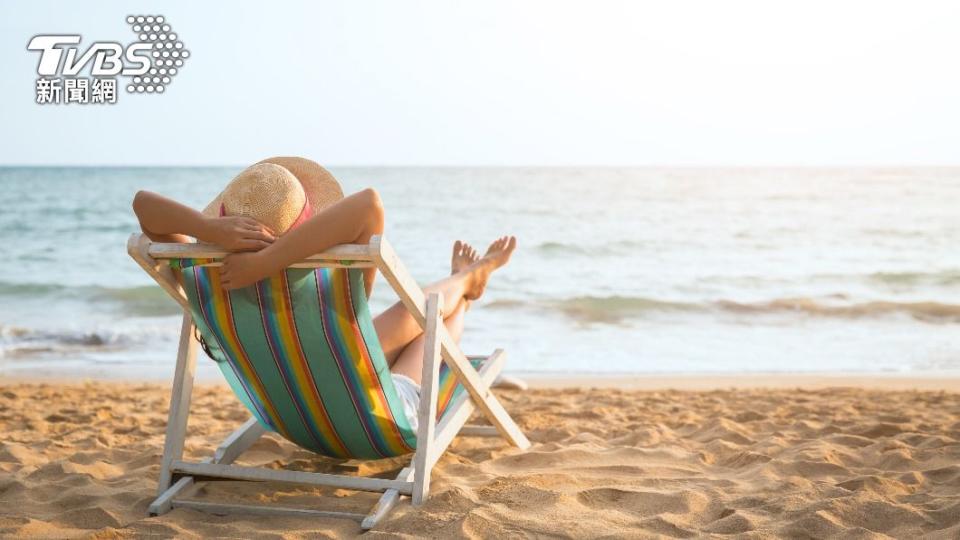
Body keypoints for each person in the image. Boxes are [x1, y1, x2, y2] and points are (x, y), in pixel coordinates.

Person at [132, 156, 516, 429]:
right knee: (431, 318)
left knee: (412, 313)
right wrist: (268, 262)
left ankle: (467, 279)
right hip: (372, 413)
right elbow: (369, 204)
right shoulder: (323, 295)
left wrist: (210, 230)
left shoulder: (205, 282)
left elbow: (143, 205)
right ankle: (468, 283)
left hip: (291, 413)